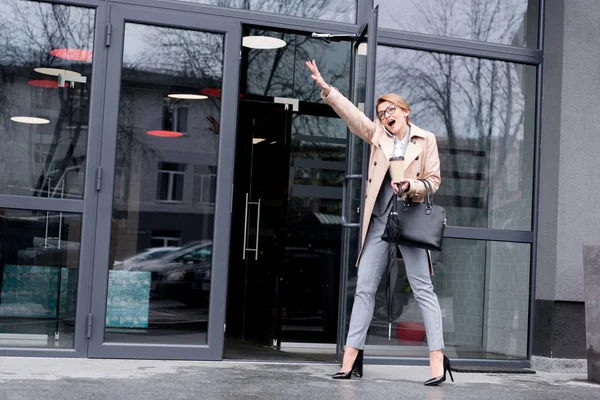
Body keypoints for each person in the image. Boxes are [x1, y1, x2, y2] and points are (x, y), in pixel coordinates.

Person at [305, 60, 453, 386]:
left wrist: (411, 187)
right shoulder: (377, 136)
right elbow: (353, 116)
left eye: (391, 109)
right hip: (380, 222)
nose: (386, 114)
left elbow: (433, 181)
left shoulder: (425, 140)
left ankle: (437, 363)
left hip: (411, 220)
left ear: (405, 111)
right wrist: (327, 89)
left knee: (423, 289)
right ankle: (350, 360)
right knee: (364, 289)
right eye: (382, 111)